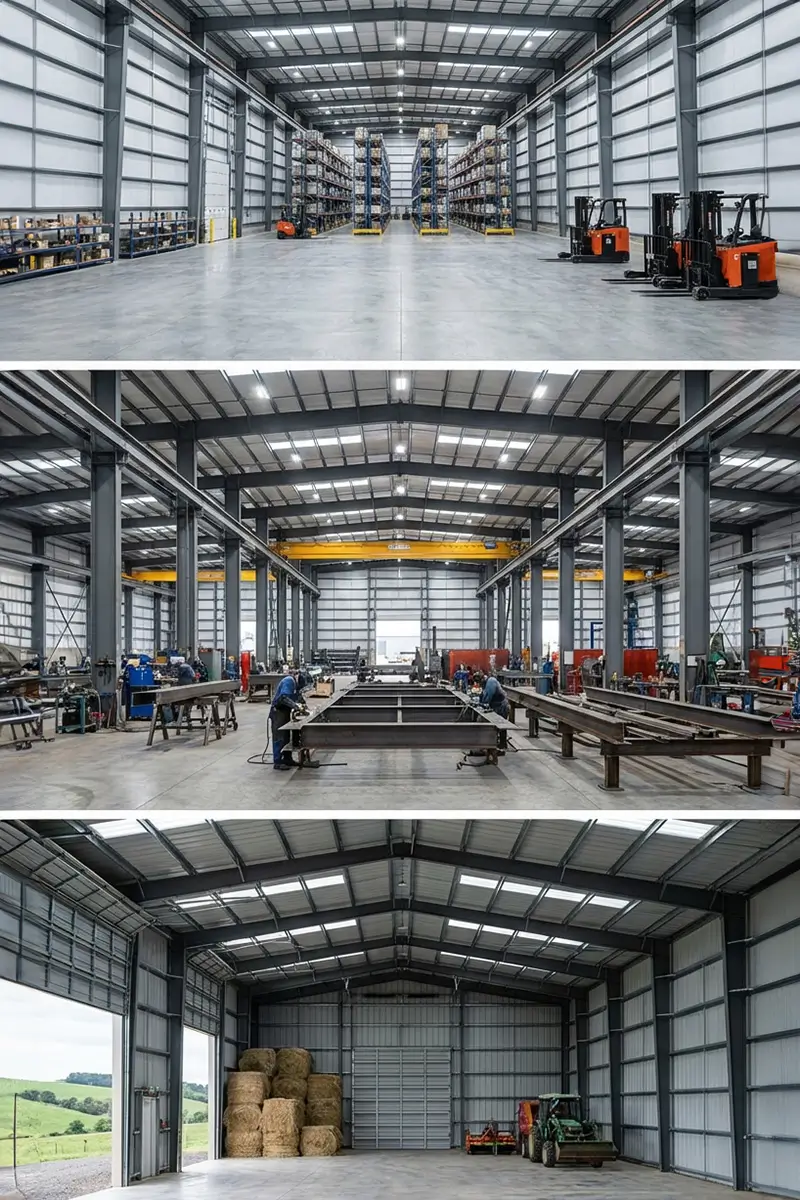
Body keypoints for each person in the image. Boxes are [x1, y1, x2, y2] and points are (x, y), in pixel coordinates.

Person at [269, 673, 320, 771]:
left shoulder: (296, 686)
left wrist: (305, 708)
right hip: (278, 712)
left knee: (286, 736)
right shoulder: (289, 681)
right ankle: (277, 762)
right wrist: (296, 706)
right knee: (279, 737)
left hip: (285, 712)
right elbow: (283, 698)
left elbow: (299, 698)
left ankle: (288, 759)